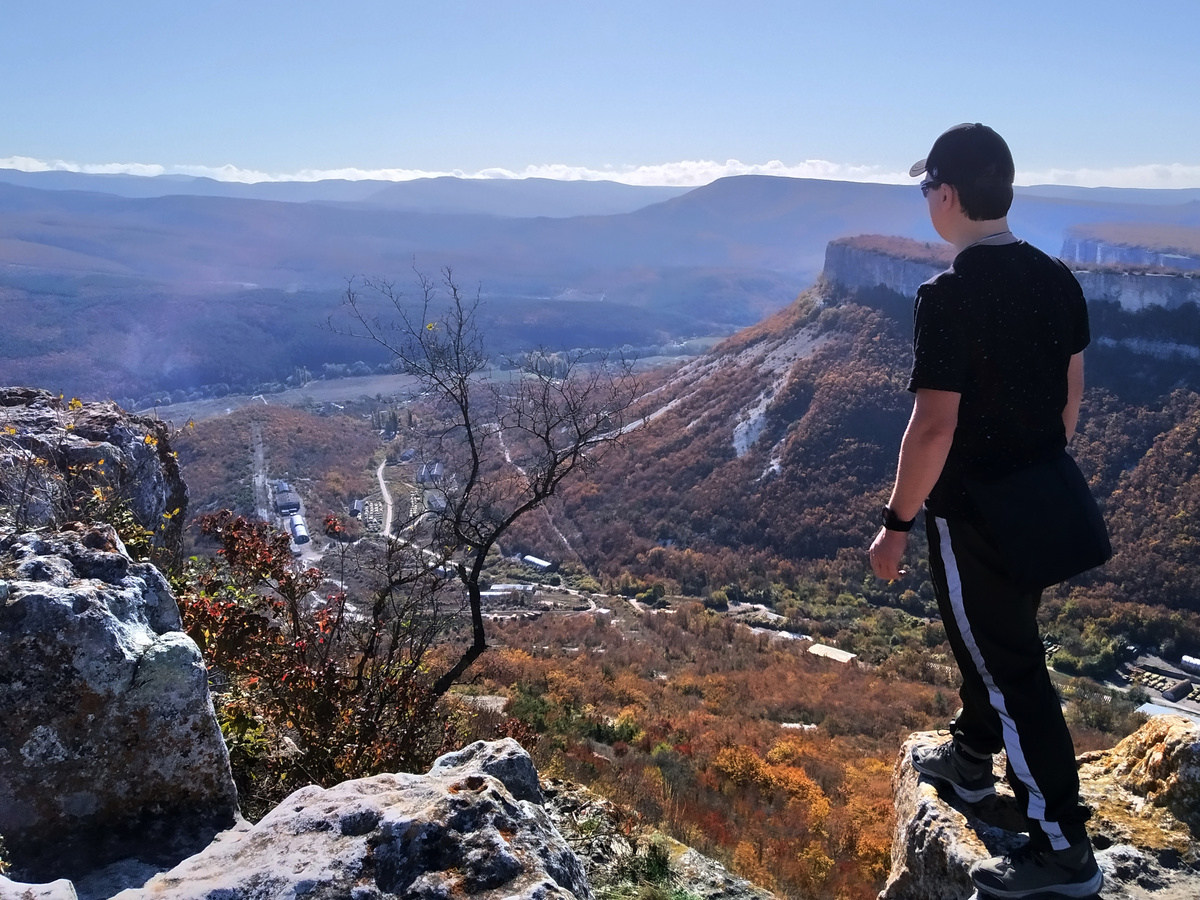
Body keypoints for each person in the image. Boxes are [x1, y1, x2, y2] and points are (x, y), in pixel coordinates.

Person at [868, 123, 1102, 898]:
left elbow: (933, 426)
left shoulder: (950, 295)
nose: (926, 201)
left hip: (975, 512)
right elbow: (1070, 405)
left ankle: (1061, 849)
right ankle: (971, 760)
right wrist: (1033, 474)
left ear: (947, 194)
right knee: (995, 645)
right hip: (1037, 501)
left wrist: (896, 522)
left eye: (926, 188)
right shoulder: (1057, 279)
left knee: (1010, 671)